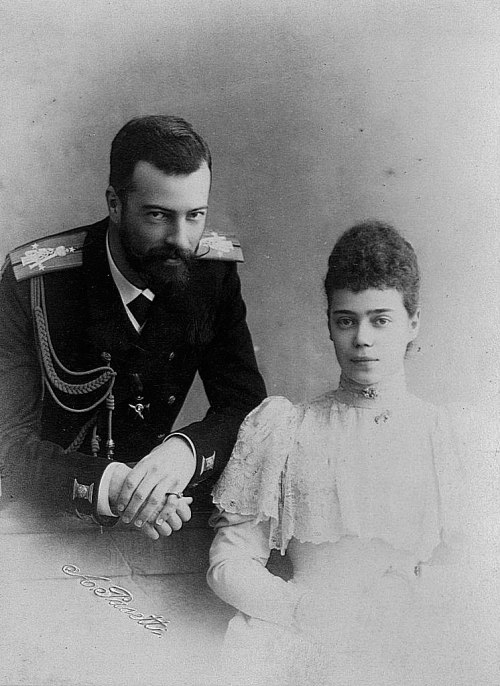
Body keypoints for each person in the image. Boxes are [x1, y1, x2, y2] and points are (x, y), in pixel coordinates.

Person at [207, 221, 499, 685]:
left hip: (413, 637)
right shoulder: (285, 428)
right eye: (346, 320)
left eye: (380, 319)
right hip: (305, 636)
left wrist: (413, 599)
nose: (362, 338)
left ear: (413, 323)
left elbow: (479, 565)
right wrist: (304, 609)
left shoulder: (448, 435)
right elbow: (228, 565)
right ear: (329, 325)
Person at [0, 115, 266, 540]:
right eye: (158, 216)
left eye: (195, 215)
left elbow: (246, 407)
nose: (182, 239)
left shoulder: (211, 276)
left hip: (163, 515)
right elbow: (5, 444)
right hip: (43, 519)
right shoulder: (37, 283)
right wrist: (112, 486)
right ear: (115, 204)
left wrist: (185, 453)